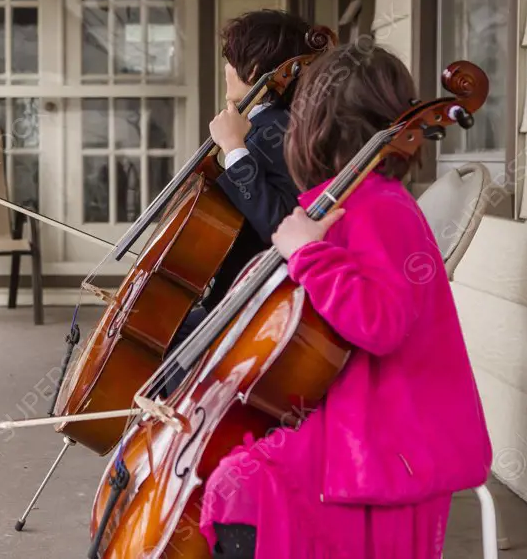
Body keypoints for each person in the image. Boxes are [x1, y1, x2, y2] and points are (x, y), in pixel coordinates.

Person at [198, 44, 493, 558]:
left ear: (314, 126)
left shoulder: (379, 209)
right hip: (354, 413)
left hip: (387, 435)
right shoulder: (344, 200)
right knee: (228, 473)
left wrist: (308, 253)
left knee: (236, 483)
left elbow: (379, 322)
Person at [163, 10, 316, 390]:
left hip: (253, 304)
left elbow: (280, 224)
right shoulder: (261, 121)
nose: (227, 68)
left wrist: (233, 149)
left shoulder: (281, 127)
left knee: (169, 342)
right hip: (232, 294)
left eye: (233, 59)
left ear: (258, 66)